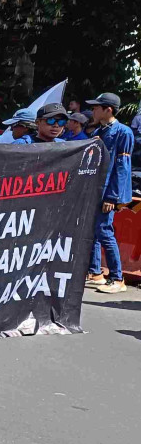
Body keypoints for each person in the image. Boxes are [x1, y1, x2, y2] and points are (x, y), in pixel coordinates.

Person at [83, 92, 134, 294]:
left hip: (107, 192)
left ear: (108, 110)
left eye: (96, 107)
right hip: (96, 189)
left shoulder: (124, 132)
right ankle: (96, 273)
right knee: (94, 231)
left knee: (104, 231)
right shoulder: (101, 131)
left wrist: (112, 196)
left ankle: (117, 278)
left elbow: (122, 167)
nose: (93, 110)